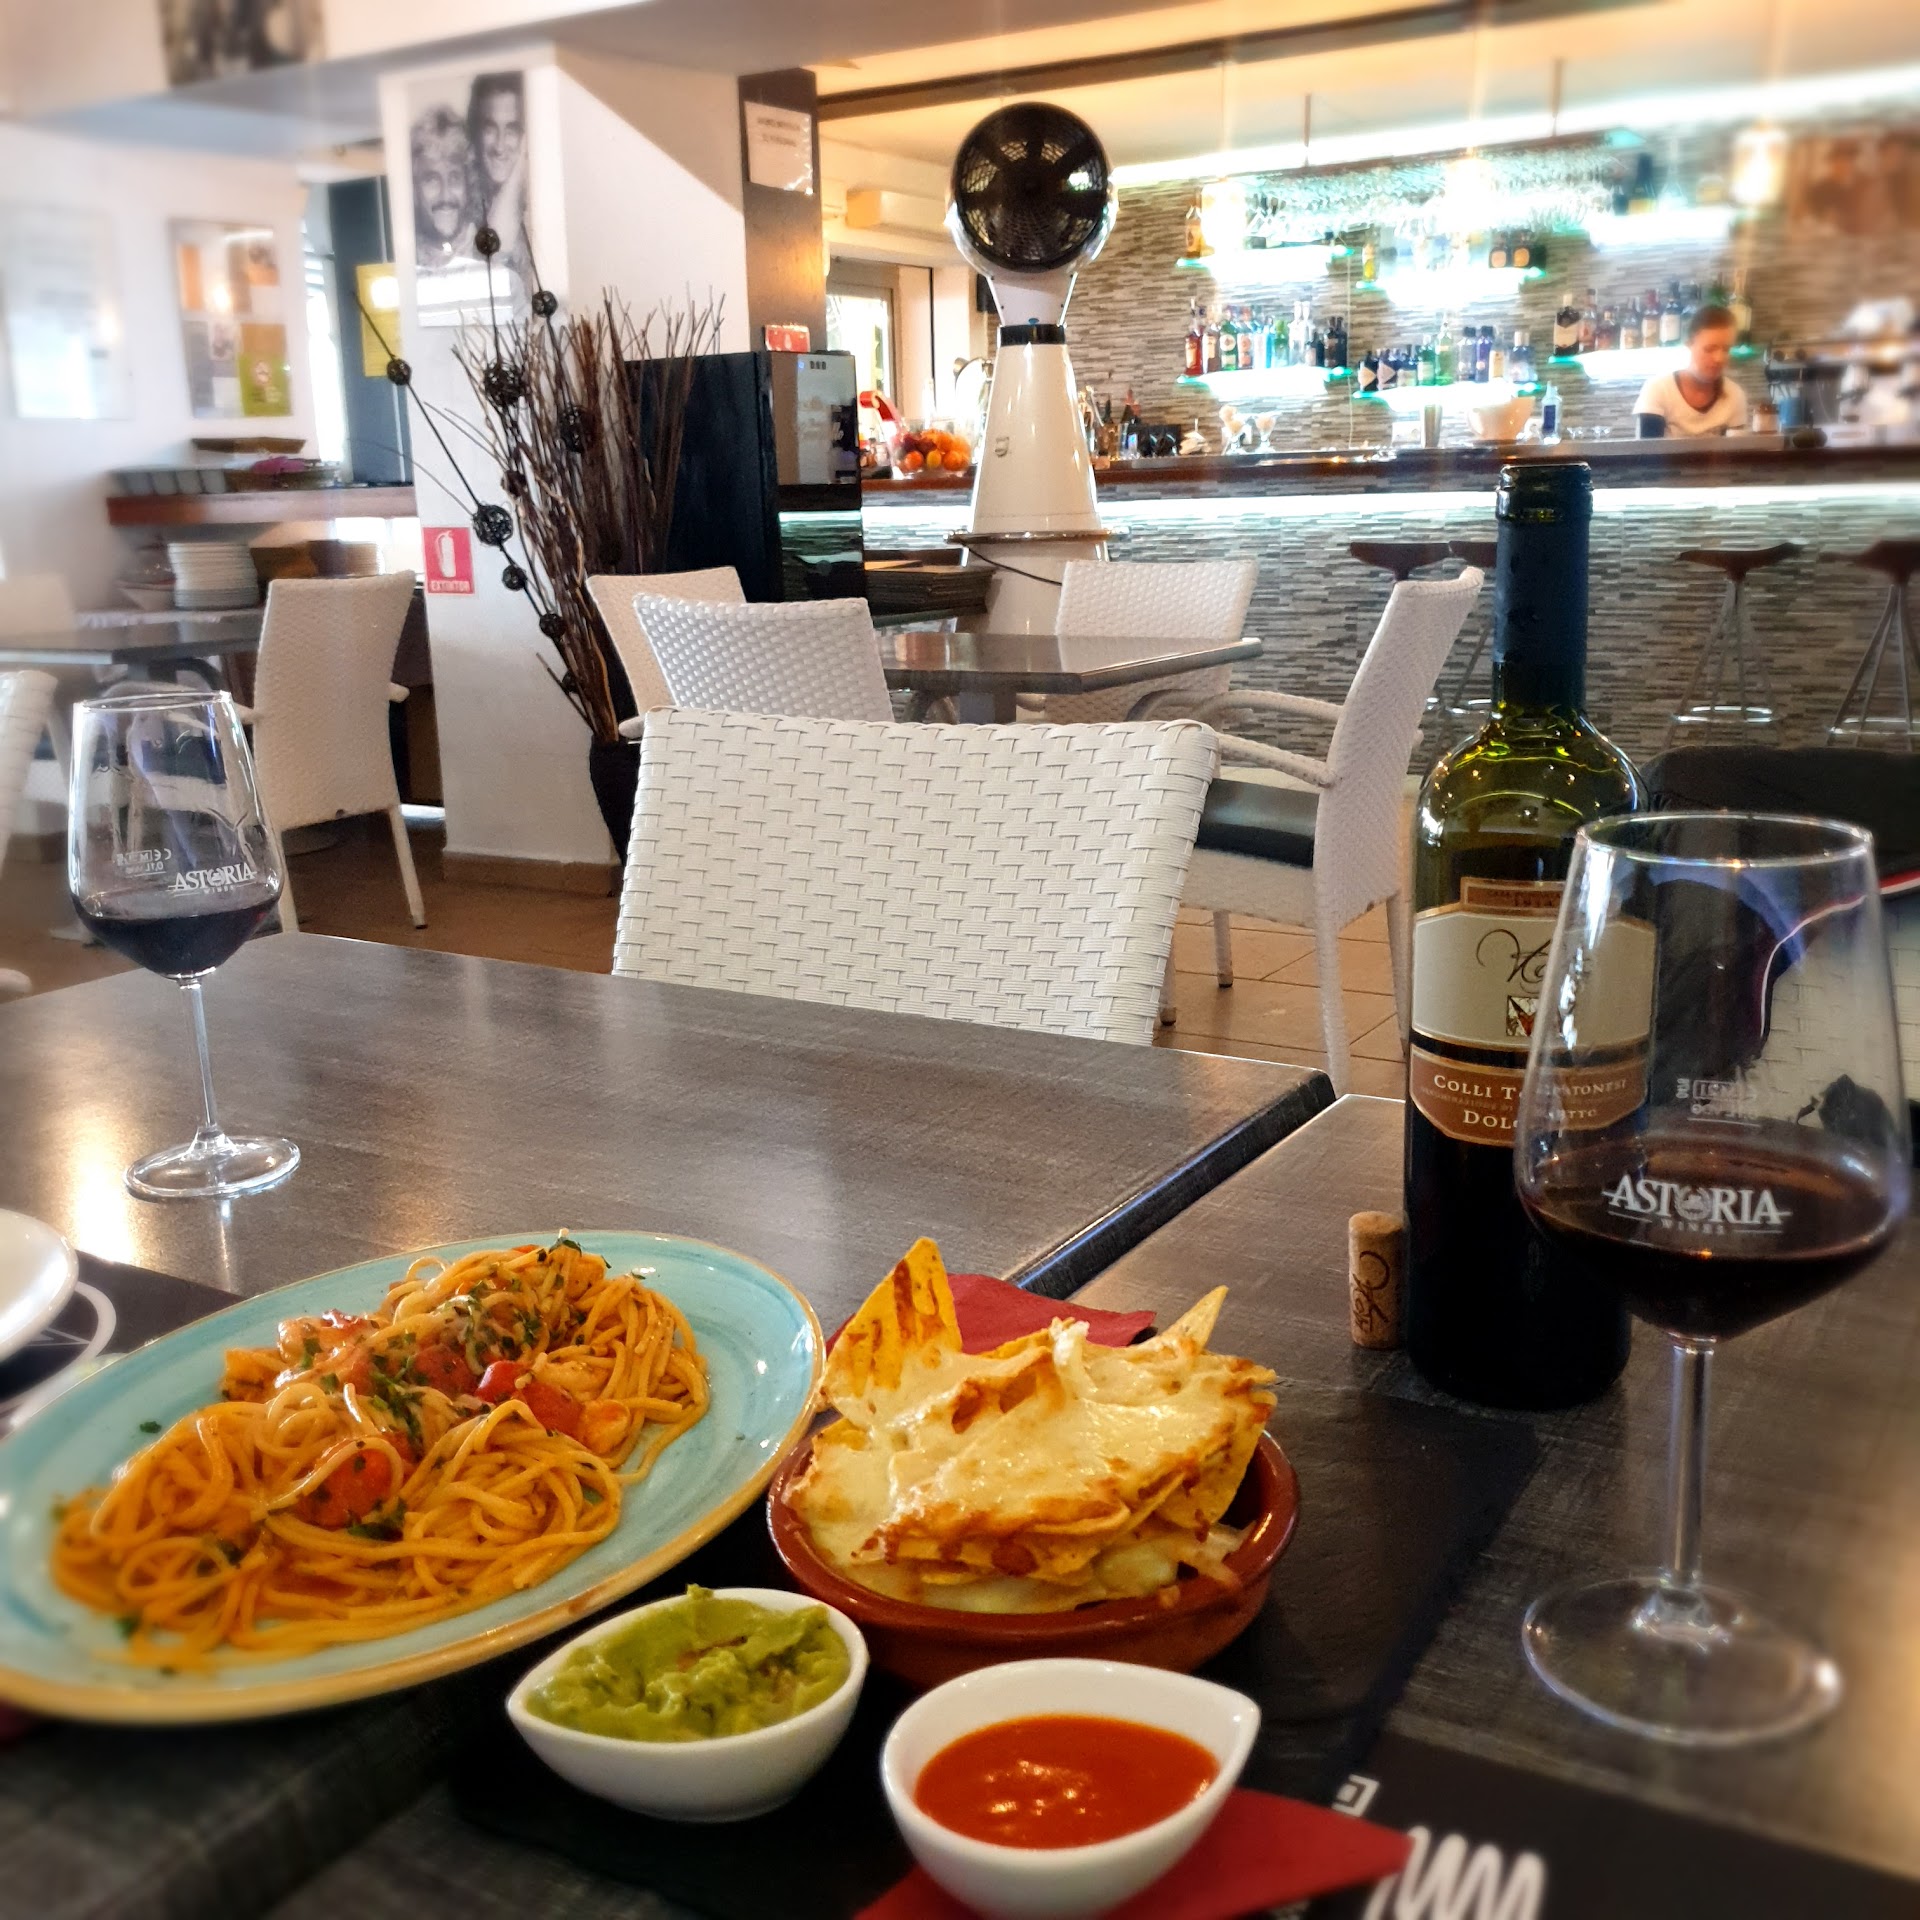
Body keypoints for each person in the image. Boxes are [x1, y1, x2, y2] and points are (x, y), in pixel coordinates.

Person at [1633, 303, 1751, 438]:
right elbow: (1648, 449)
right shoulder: (1659, 390)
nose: (1719, 358)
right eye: (1709, 349)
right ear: (1689, 345)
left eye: (1726, 349)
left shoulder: (1734, 396)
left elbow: (1737, 450)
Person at [467, 72, 530, 289]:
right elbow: (492, 268)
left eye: (512, 130)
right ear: (475, 134)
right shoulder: (462, 208)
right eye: (489, 129)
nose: (500, 146)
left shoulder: (539, 203)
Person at [411, 106, 477, 272]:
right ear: (414, 189)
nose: (445, 195)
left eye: (455, 178)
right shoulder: (405, 261)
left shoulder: (492, 255)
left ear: (468, 183)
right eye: (432, 180)